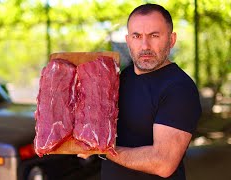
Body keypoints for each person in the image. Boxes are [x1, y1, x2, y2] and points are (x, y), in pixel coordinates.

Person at [79, 3, 201, 180]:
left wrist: (103, 150)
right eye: (137, 36)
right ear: (128, 40)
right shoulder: (121, 78)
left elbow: (163, 163)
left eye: (154, 35)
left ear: (171, 40)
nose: (145, 45)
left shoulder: (179, 88)